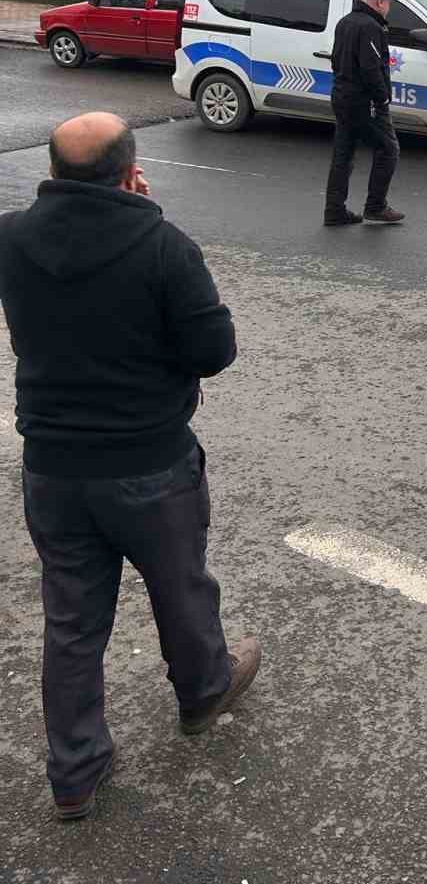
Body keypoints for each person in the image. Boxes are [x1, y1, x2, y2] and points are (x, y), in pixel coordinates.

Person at [0, 114, 259, 821]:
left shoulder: (12, 236)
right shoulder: (163, 246)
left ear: (53, 172)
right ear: (130, 169)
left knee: (73, 621)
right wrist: (139, 210)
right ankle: (204, 692)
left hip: (53, 465)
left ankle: (75, 773)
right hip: (149, 462)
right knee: (180, 589)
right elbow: (214, 351)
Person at [324, 0, 405, 227]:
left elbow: (336, 60)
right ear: (380, 1)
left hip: (342, 95)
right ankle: (376, 206)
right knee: (389, 149)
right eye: (388, 3)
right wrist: (381, 97)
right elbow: (371, 67)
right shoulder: (371, 27)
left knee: (343, 153)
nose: (388, 8)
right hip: (364, 100)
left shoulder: (345, 22)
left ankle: (334, 210)